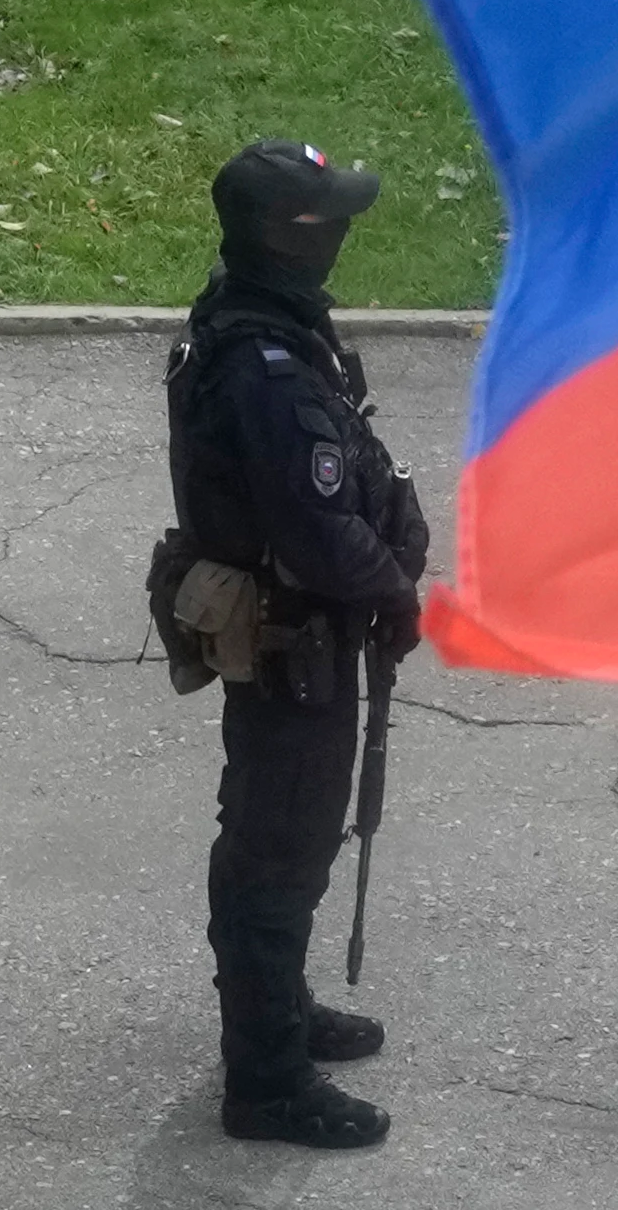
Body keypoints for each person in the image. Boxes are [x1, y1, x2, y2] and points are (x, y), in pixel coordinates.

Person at [161, 138, 429, 1148]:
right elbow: (314, 528)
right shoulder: (266, 366)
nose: (345, 232)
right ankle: (265, 1079)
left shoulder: (264, 318)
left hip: (306, 630)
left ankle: (282, 1012)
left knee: (293, 838)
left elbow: (341, 470)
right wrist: (394, 583)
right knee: (276, 846)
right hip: (291, 641)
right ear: (286, 234)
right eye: (328, 219)